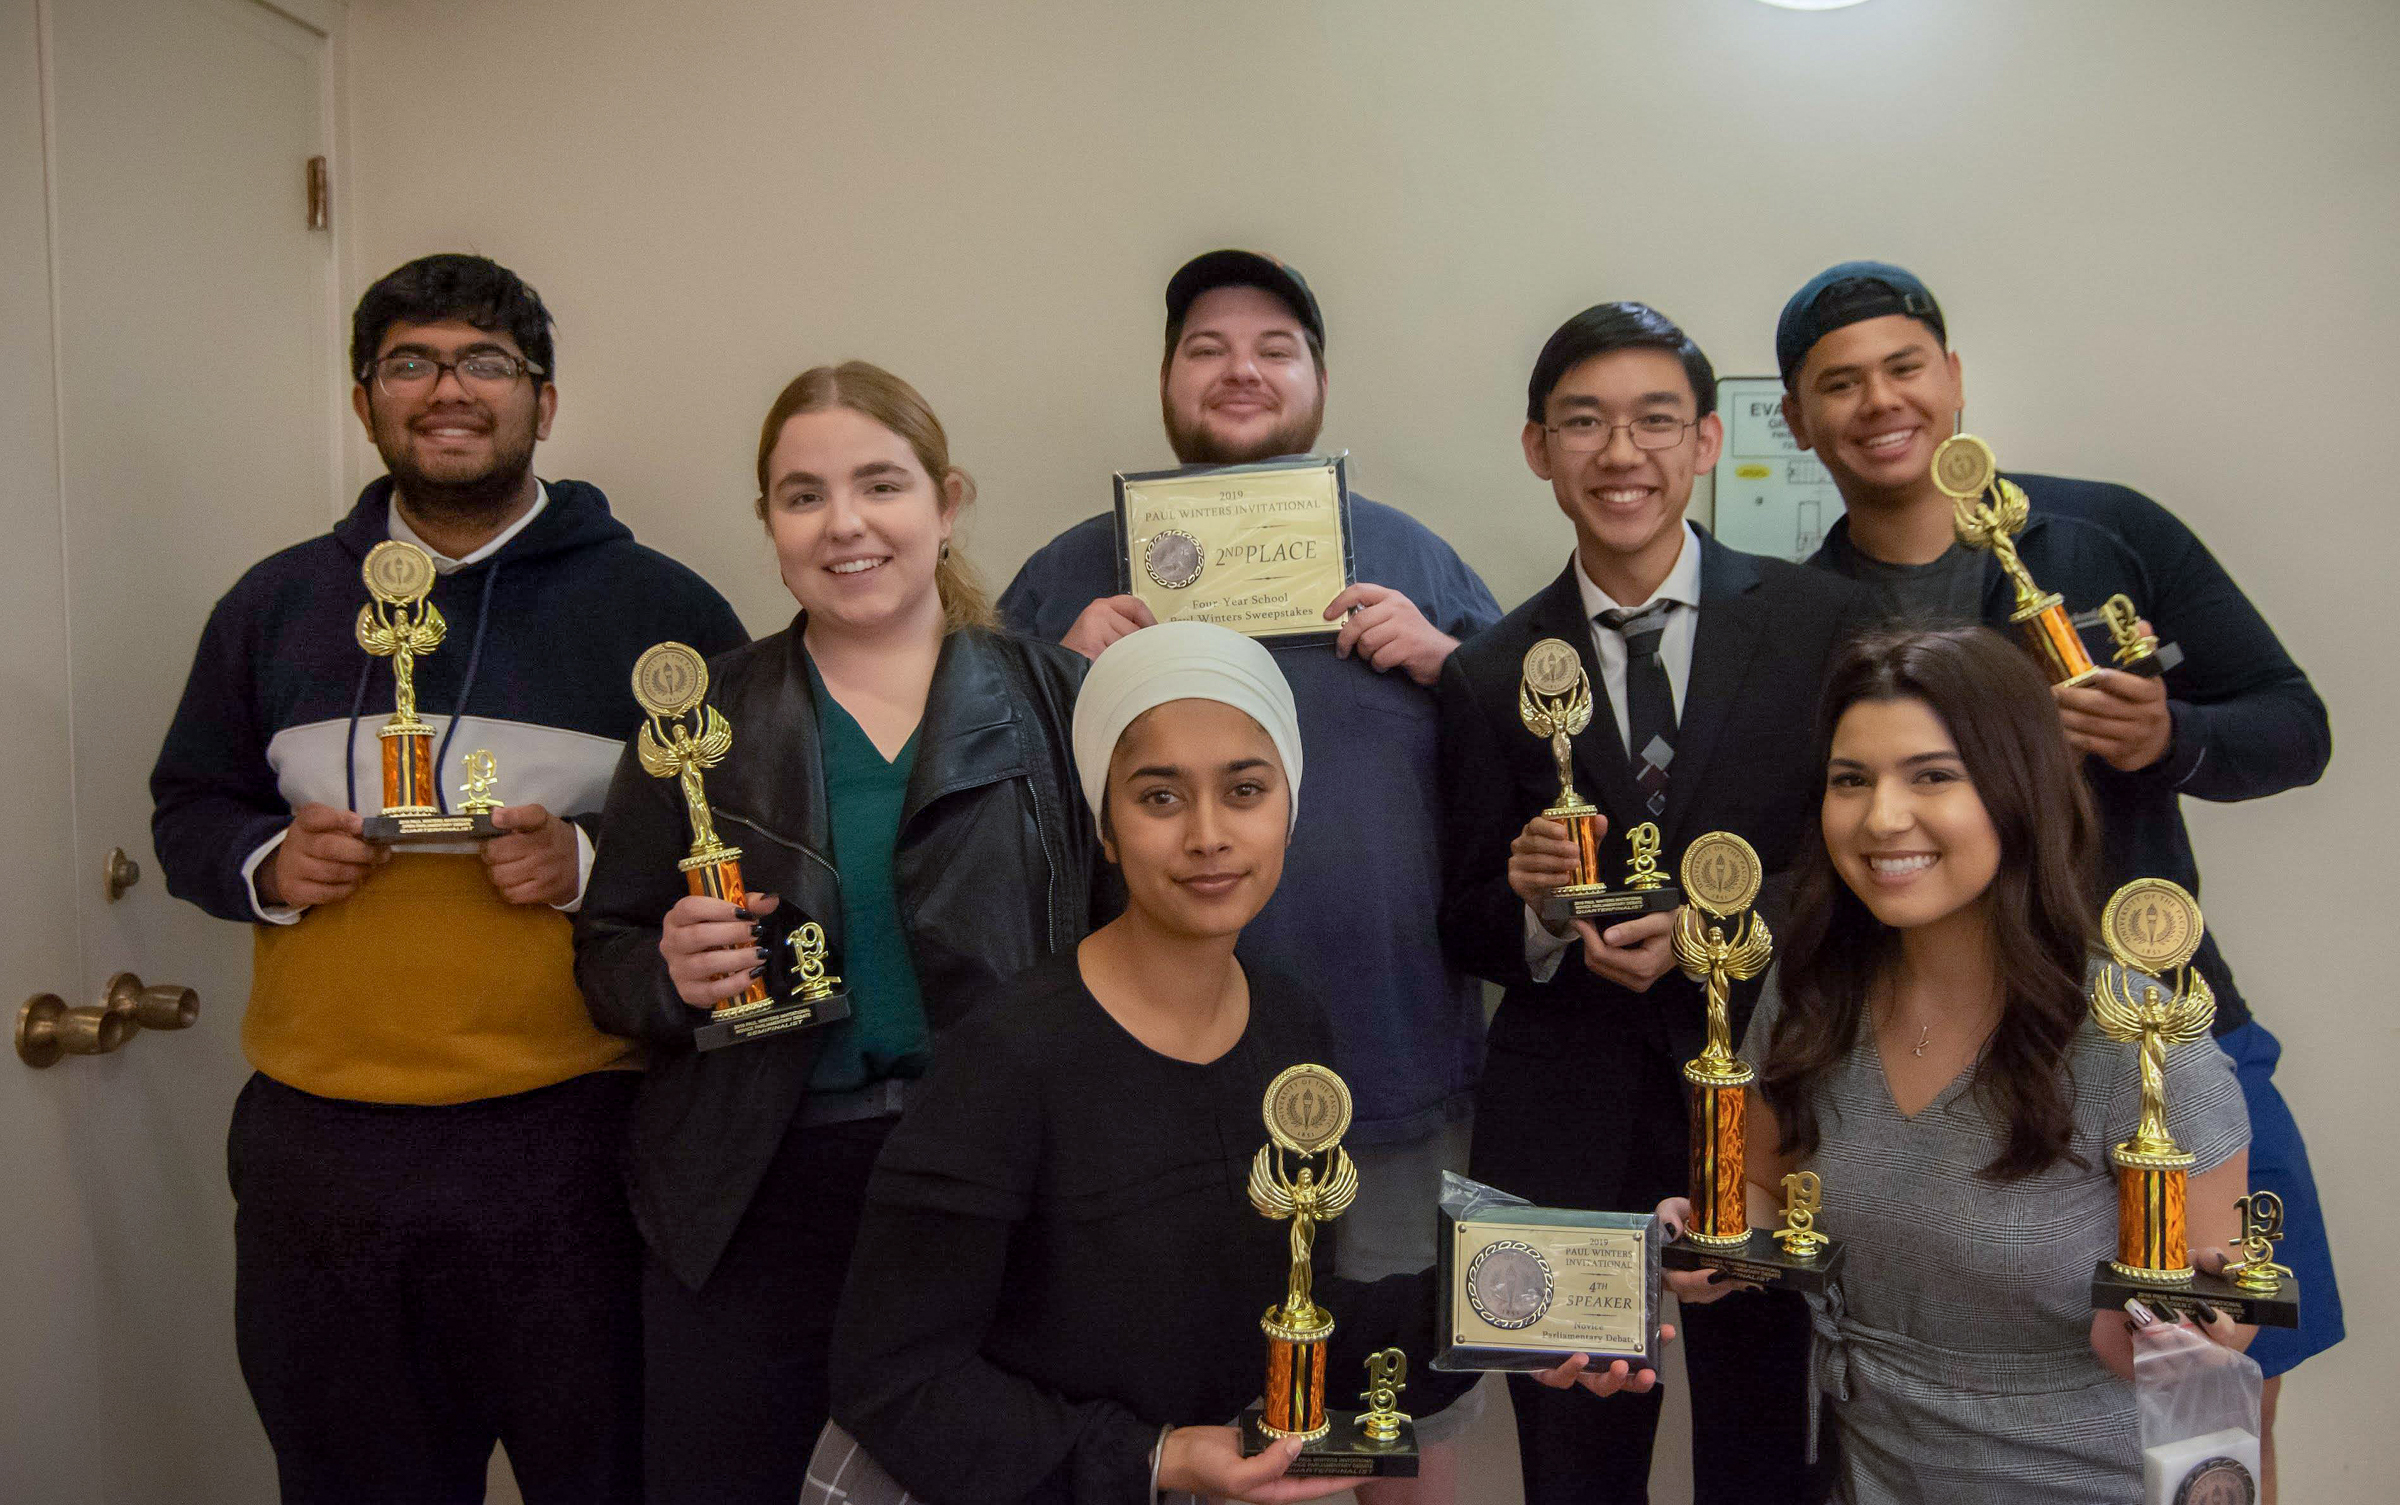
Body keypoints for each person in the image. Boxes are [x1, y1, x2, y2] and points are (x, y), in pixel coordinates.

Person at [149, 253, 747, 1504]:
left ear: (544, 399)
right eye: (410, 362)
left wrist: (587, 861)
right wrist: (268, 858)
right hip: (323, 1154)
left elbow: (738, 841)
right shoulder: (273, 608)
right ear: (365, 400)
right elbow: (189, 807)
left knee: (611, 1478)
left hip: (575, 1141)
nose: (448, 390)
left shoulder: (660, 607)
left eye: (485, 362)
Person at [814, 622, 1656, 1505]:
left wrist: (1567, 1296)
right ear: (1105, 826)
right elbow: (895, 1378)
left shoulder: (1288, 1021)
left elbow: (1296, 1305)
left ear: (1290, 809)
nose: (1209, 834)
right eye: (1160, 797)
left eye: (1245, 789)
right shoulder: (1009, 1055)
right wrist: (1157, 1457)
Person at [1778, 260, 2340, 1476]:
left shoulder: (2102, 533)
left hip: (2145, 1015)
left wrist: (2172, 734)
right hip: (1918, 1021)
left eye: (1903, 366)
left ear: (1954, 377)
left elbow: (2296, 723)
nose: (1878, 401)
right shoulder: (1795, 611)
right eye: (1839, 383)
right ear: (1795, 419)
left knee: (2214, 1399)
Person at [999, 251, 1501, 1499]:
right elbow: (981, 826)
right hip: (1139, 1096)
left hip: (1382, 1072)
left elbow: (1542, 791)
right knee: (1184, 1401)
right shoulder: (1071, 572)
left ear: (1320, 379)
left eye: (1275, 344)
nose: (1241, 368)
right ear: (1166, 381)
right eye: (1206, 346)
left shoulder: (1415, 559)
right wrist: (1055, 673)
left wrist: (1452, 666)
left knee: (1392, 1413)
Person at [572, 361, 1100, 1505]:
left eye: (880, 483)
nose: (845, 523)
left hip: (997, 1183)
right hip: (753, 1194)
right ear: (767, 521)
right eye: (802, 494)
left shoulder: (1067, 702)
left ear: (947, 502)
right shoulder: (695, 717)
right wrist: (664, 968)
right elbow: (605, 952)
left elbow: (1136, 947)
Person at [1435, 301, 1869, 1505]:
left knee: (1765, 1456)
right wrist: (1533, 907)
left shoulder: (1820, 626)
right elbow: (1460, 912)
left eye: (1653, 421)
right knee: (1574, 1469)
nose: (1620, 453)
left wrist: (1722, 928)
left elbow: (1865, 856)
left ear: (1707, 444)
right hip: (1562, 1125)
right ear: (1539, 449)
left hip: (1775, 1107)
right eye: (1584, 422)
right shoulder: (1487, 669)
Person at [1668, 625, 2256, 1503]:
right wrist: (1702, 1242)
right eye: (1851, 780)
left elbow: (2218, 1318)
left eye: (1933, 775)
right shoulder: (1809, 991)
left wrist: (2174, 1323)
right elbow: (1760, 1186)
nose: (1881, 817)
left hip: (2087, 1480)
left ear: (2017, 790)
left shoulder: (2137, 1033)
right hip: (1866, 1469)